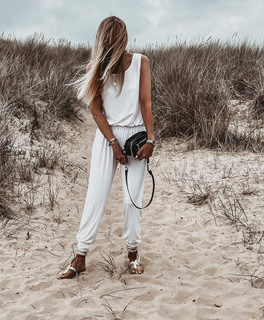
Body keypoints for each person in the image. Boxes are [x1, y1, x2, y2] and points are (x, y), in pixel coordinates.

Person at [58, 16, 155, 279]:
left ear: (123, 38)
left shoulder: (140, 62)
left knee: (131, 201)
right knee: (95, 195)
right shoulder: (95, 66)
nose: (113, 45)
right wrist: (113, 142)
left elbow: (146, 103)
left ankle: (133, 254)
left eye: (117, 40)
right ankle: (80, 256)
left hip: (136, 136)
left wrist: (150, 140)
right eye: (109, 41)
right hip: (106, 137)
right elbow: (95, 110)